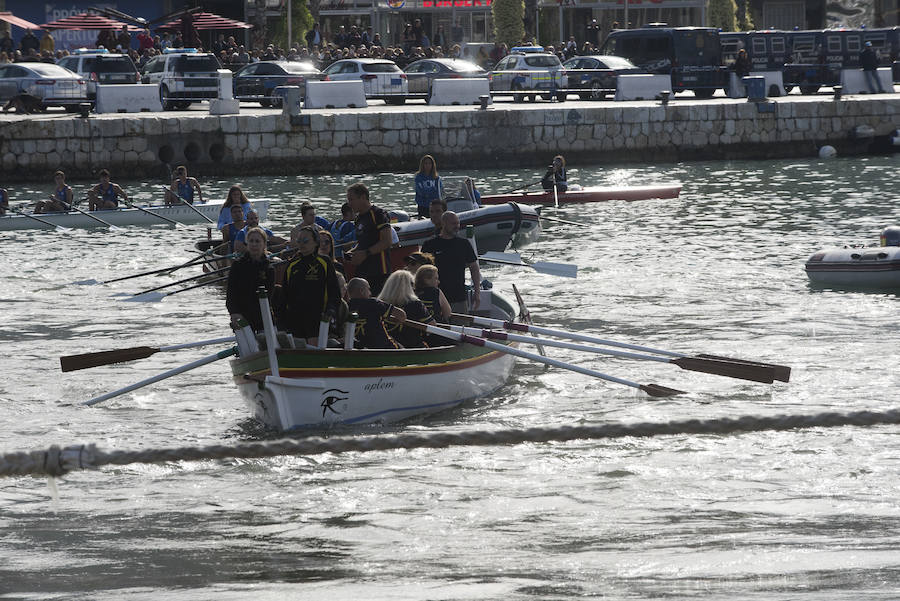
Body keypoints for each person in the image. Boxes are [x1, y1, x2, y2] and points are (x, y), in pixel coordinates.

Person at [277, 225, 341, 344]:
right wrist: (281, 323)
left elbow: (334, 293)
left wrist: (331, 311)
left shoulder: (324, 262)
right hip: (295, 320)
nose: (302, 244)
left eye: (305, 240)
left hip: (318, 319)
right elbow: (284, 296)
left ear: (316, 242)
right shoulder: (292, 265)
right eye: (299, 240)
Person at [421, 211, 481, 313]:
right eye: (453, 223)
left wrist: (477, 292)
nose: (457, 226)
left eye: (458, 223)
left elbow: (474, 267)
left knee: (461, 327)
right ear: (444, 223)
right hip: (435, 297)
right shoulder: (430, 245)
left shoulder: (463, 244)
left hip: (459, 297)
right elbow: (421, 271)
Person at [347, 183, 393, 295]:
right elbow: (362, 242)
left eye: (351, 199)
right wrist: (352, 252)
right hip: (363, 270)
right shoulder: (358, 219)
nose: (349, 203)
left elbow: (387, 241)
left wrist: (366, 253)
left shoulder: (378, 214)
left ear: (363, 197)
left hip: (379, 271)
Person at [226, 226, 275, 332]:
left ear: (264, 245)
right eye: (251, 241)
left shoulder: (269, 269)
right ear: (247, 244)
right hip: (242, 316)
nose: (254, 244)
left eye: (257, 241)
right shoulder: (237, 266)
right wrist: (233, 312)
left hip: (263, 317)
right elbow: (231, 292)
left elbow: (269, 296)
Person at [347, 277, 406, 349]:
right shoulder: (374, 304)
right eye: (368, 289)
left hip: (357, 346)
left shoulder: (346, 306)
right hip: (382, 347)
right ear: (362, 291)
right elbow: (402, 315)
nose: (370, 293)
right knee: (402, 348)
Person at [378, 270, 432, 348]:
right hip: (413, 348)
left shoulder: (379, 304)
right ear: (410, 285)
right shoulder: (416, 304)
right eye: (413, 284)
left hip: (387, 347)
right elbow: (431, 325)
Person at [414, 154, 443, 219]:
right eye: (426, 163)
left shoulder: (437, 178)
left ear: (433, 165)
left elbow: (439, 191)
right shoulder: (418, 177)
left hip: (435, 206)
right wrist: (430, 193)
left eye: (429, 163)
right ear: (422, 165)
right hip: (423, 206)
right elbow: (420, 191)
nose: (428, 165)